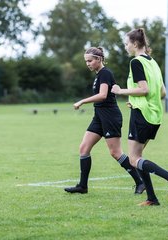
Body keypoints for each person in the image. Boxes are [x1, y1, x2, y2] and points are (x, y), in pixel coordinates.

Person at [111, 28, 168, 206]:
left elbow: (144, 90)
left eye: (127, 43)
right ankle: (152, 198)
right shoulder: (154, 63)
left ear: (135, 44)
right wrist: (135, 101)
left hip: (141, 115)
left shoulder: (136, 62)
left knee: (134, 159)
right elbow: (163, 93)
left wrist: (121, 91)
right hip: (154, 116)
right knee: (138, 158)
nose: (126, 46)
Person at [64, 47, 145, 194]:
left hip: (110, 116)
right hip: (99, 116)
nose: (87, 64)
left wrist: (82, 101)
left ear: (99, 59)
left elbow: (102, 95)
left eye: (90, 61)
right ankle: (82, 186)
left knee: (115, 152)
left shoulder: (105, 74)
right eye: (86, 61)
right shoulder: (98, 75)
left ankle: (140, 182)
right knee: (83, 149)